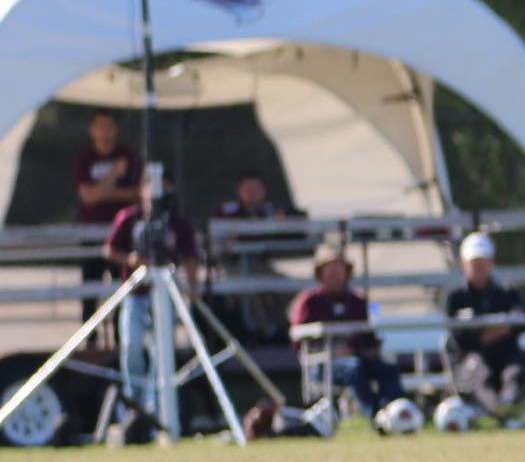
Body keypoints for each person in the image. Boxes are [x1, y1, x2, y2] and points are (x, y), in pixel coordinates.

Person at [102, 171, 202, 409]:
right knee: (131, 347)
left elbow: (190, 256)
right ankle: (133, 402)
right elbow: (109, 249)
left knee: (162, 351)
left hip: (164, 295)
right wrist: (130, 260)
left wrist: (193, 287)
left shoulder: (178, 222)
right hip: (135, 294)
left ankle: (156, 404)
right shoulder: (130, 217)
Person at [289, 249, 404, 415]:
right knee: (354, 369)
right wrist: (332, 351)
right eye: (329, 268)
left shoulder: (357, 301)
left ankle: (395, 412)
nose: (335, 273)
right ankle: (374, 415)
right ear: (320, 273)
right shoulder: (309, 302)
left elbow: (369, 338)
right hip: (324, 363)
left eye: (338, 267)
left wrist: (368, 350)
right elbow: (297, 338)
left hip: (357, 358)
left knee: (388, 370)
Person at [446, 232, 525, 419]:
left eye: (483, 261)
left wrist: (483, 331)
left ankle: (510, 408)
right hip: (470, 359)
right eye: (475, 262)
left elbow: (520, 323)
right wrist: (500, 329)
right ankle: (502, 413)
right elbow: (459, 335)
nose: (479, 267)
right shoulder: (455, 297)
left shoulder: (508, 293)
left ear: (491, 262)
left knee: (515, 372)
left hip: (505, 354)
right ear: (463, 263)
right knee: (479, 373)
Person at [71, 111, 141, 320]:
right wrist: (113, 177)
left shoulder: (129, 156)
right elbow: (87, 197)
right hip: (91, 233)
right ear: (92, 129)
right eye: (100, 126)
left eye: (109, 126)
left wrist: (101, 192)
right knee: (90, 289)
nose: (105, 131)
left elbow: (137, 193)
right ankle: (89, 342)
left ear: (115, 129)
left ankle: (121, 340)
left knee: (122, 289)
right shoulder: (84, 159)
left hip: (121, 235)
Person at [211, 171, 290, 342]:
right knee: (251, 288)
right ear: (240, 191)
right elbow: (218, 243)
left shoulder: (269, 212)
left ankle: (277, 328)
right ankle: (262, 332)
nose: (252, 194)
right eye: (248, 189)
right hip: (232, 267)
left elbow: (292, 232)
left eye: (256, 189)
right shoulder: (228, 212)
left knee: (286, 286)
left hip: (261, 266)